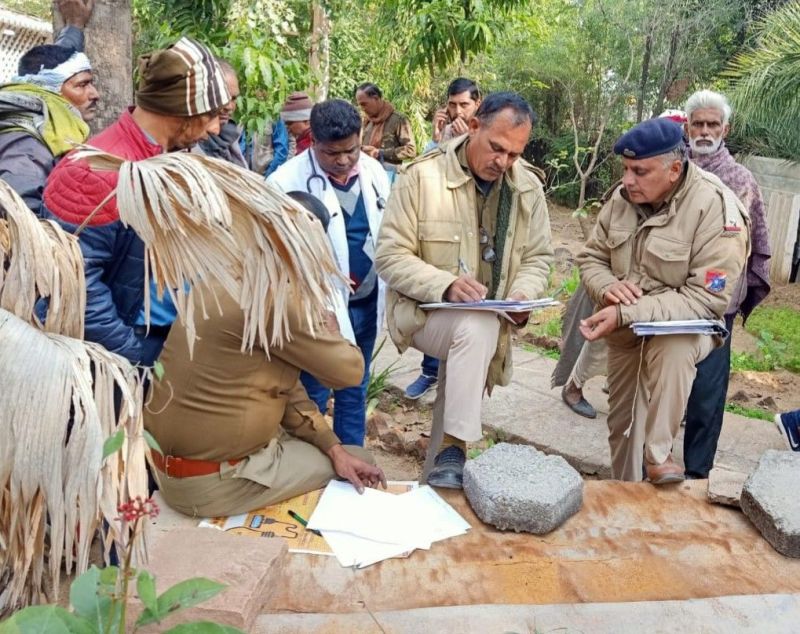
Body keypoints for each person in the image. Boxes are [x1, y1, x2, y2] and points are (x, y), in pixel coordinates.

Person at [375, 92, 554, 489]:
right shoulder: (422, 177)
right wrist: (446, 284)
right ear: (473, 127)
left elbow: (538, 257)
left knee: (474, 341)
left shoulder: (526, 186)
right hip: (424, 313)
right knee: (476, 327)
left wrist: (522, 295)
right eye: (496, 148)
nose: (503, 162)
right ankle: (456, 446)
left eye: (514, 154)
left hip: (487, 318)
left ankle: (441, 475)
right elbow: (389, 255)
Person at [577, 118, 750, 484]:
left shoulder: (716, 208)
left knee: (675, 342)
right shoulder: (622, 199)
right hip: (625, 331)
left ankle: (659, 454)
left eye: (640, 171)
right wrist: (607, 286)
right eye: (625, 169)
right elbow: (591, 258)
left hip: (687, 327)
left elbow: (705, 300)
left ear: (674, 169)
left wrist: (628, 311)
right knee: (622, 427)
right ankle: (626, 494)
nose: (628, 180)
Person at [40, 37, 230, 366]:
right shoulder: (95, 173)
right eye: (210, 114)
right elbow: (74, 285)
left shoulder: (162, 160)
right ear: (180, 112)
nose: (215, 128)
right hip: (116, 356)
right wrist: (133, 357)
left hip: (151, 339)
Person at [144, 276, 386, 518]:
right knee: (362, 460)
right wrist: (333, 331)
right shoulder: (274, 301)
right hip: (214, 484)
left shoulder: (217, 280)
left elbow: (285, 387)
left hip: (171, 472)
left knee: (339, 455)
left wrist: (334, 449)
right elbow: (349, 373)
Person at [268, 99, 390, 447]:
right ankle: (309, 463)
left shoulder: (375, 173)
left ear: (360, 136)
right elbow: (278, 259)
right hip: (315, 308)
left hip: (366, 302)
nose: (343, 160)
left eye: (350, 150)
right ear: (314, 141)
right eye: (331, 153)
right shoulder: (285, 181)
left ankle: (352, 456)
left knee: (356, 383)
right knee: (313, 389)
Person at [681, 90, 771, 479]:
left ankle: (697, 473)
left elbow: (752, 244)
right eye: (698, 123)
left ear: (725, 129)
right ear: (687, 126)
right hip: (669, 293)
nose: (704, 131)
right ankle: (651, 461)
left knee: (706, 391)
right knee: (660, 381)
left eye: (712, 124)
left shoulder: (741, 180)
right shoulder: (669, 169)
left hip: (718, 302)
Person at [406, 77, 483, 399]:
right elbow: (421, 171)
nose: (456, 112)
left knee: (472, 311)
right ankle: (430, 371)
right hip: (441, 229)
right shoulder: (442, 137)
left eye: (464, 105)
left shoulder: (486, 139)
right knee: (438, 294)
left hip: (476, 235)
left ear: (477, 104)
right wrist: (439, 141)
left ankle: (467, 383)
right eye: (452, 105)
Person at [0, 0, 97, 214]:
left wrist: (75, 25)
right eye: (82, 85)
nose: (94, 94)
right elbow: (21, 216)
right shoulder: (27, 145)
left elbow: (59, 64)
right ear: (51, 92)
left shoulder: (37, 98)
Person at [355, 82, 416, 176]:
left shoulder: (398, 120)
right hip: (367, 175)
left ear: (376, 98)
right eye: (360, 105)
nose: (362, 108)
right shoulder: (366, 121)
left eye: (364, 104)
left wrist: (380, 152)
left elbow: (410, 150)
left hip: (389, 176)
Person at [280, 91, 313, 155]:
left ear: (306, 121)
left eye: (289, 123)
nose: (287, 128)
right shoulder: (305, 141)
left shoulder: (312, 144)